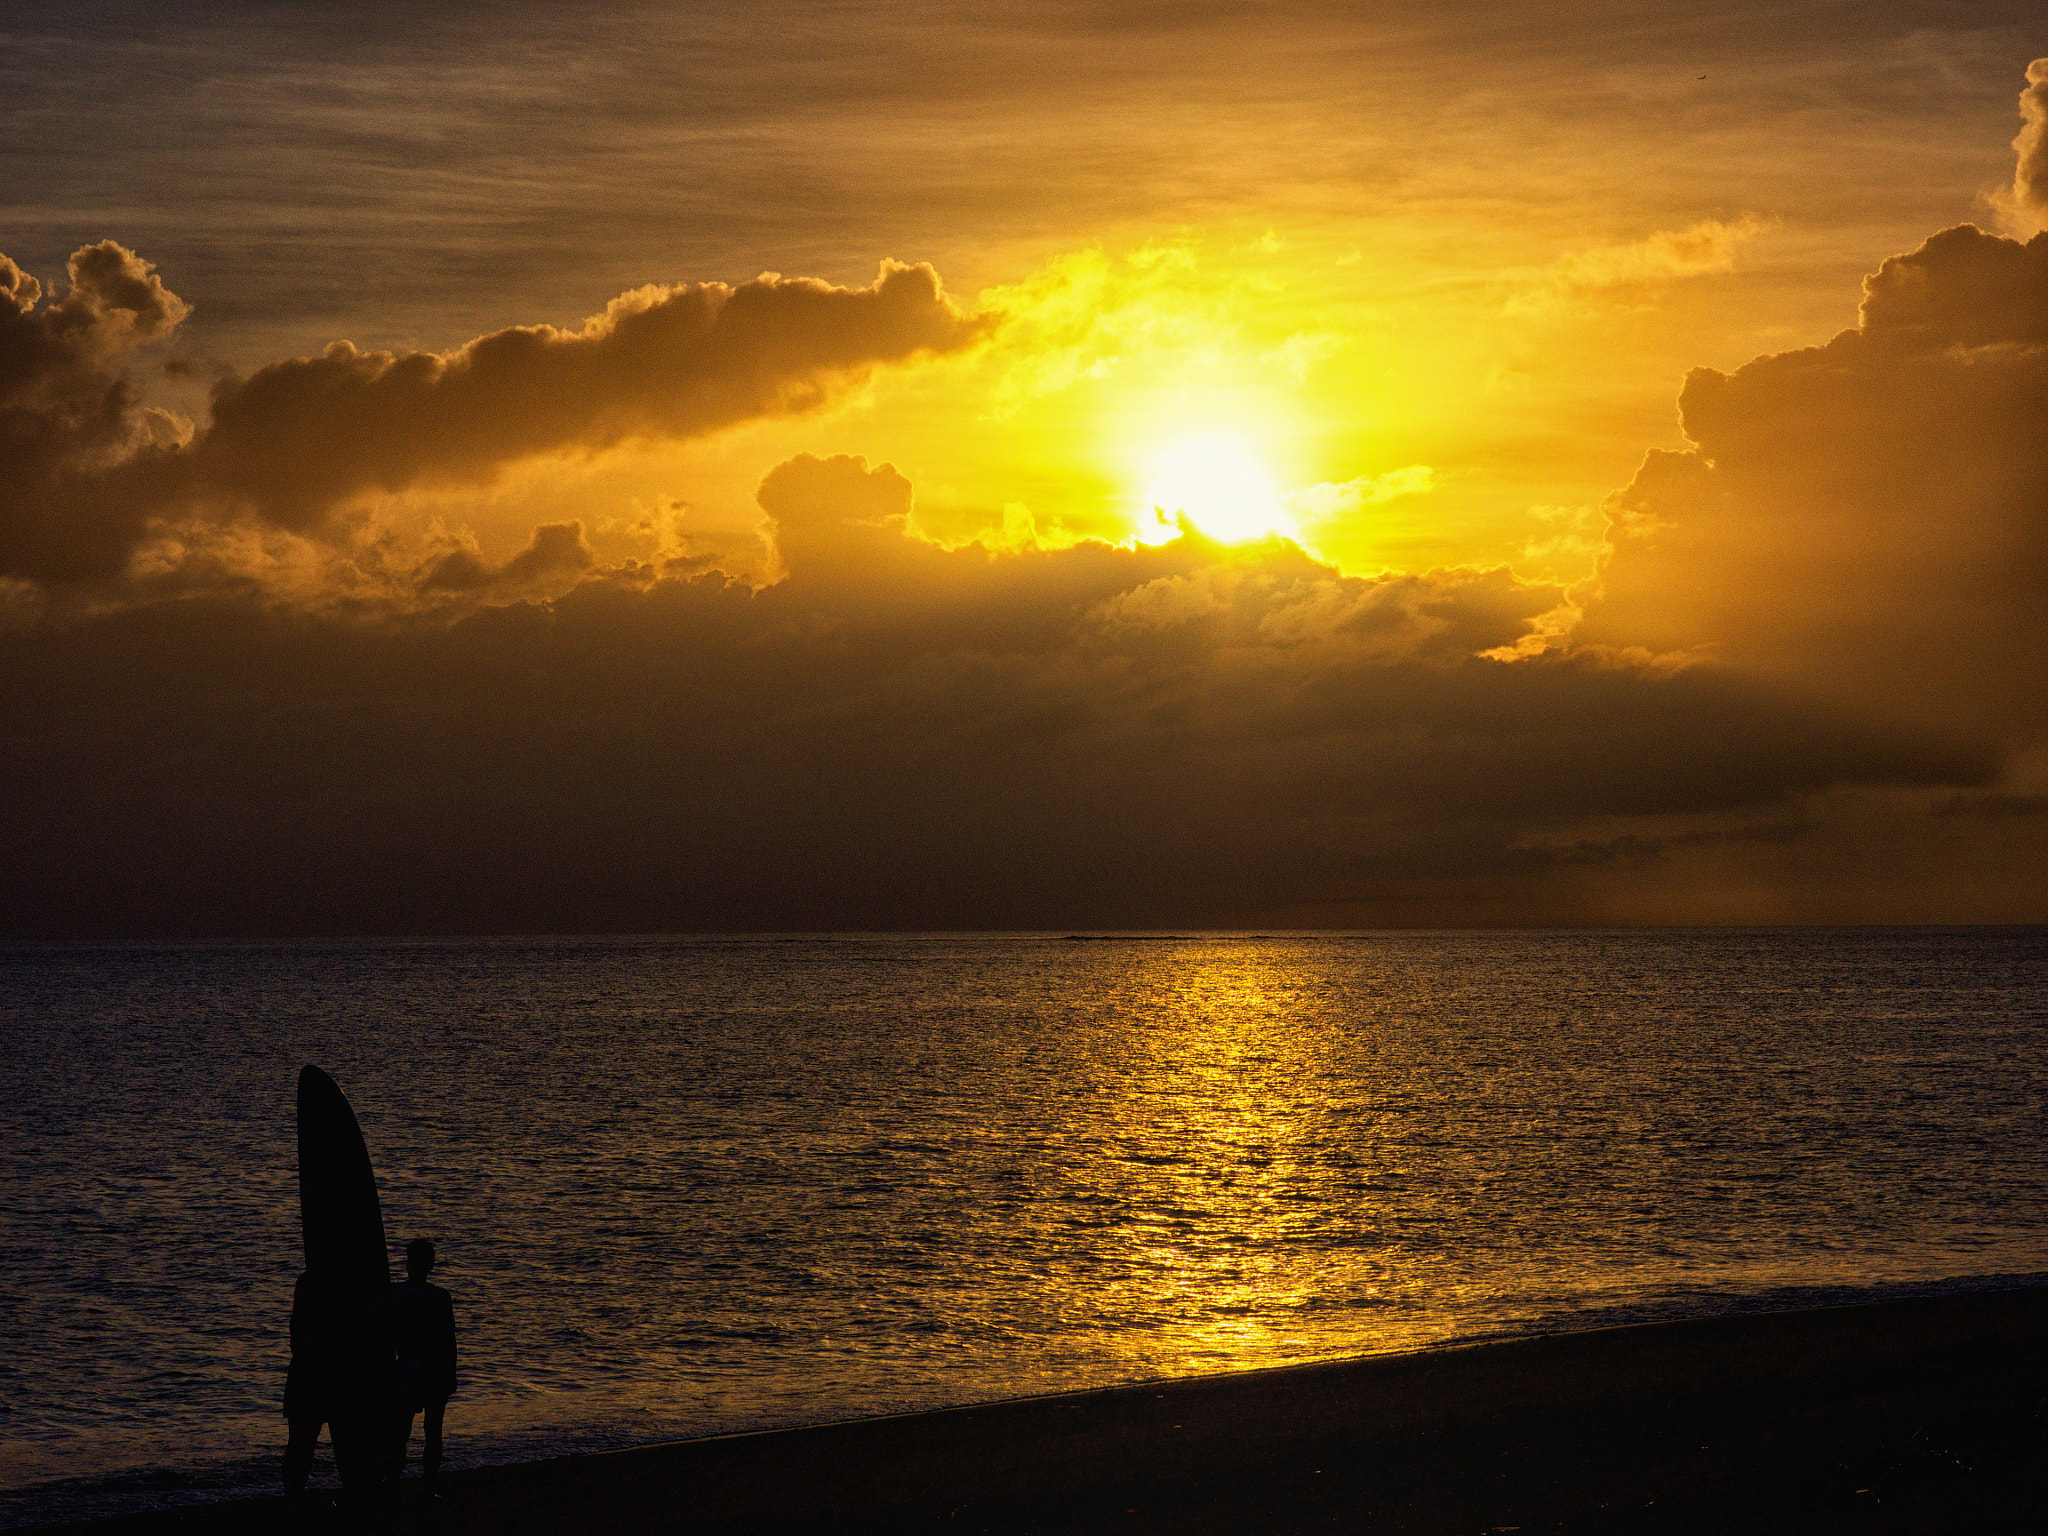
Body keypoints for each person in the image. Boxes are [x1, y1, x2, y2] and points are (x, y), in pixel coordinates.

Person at [283, 1267, 389, 1501]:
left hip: (311, 1376)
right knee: (343, 1444)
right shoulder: (346, 1293)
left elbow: (297, 1339)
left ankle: (293, 1497)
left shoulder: (306, 1299)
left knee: (302, 1445)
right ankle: (356, 1493)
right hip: (335, 1376)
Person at [386, 1238, 458, 1490]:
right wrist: (452, 1373)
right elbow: (449, 1340)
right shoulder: (440, 1296)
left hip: (408, 1370)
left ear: (408, 1265)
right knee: (433, 1431)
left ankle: (393, 1481)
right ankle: (429, 1482)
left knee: (400, 1433)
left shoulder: (396, 1294)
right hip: (435, 1370)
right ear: (432, 1265)